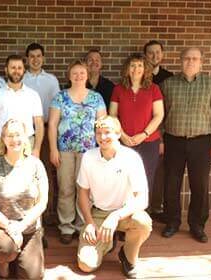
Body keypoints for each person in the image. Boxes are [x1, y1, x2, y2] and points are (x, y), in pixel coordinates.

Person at [160, 47, 211, 243]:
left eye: (195, 59)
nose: (190, 62)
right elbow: (160, 115)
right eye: (187, 58)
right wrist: (160, 139)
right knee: (171, 183)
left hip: (201, 142)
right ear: (181, 61)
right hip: (173, 141)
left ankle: (197, 225)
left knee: (200, 186)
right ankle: (172, 222)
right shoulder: (168, 85)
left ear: (201, 62)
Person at [77, 116, 152, 279]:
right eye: (98, 133)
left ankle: (128, 256)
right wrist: (89, 222)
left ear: (118, 134)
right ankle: (107, 242)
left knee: (143, 222)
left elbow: (142, 199)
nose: (102, 137)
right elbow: (82, 192)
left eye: (107, 132)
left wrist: (116, 216)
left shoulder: (131, 158)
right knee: (86, 265)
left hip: (124, 212)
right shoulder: (88, 157)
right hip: (98, 213)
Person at [0, 119, 48, 279]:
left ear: (25, 137)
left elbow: (42, 202)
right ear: (3, 139)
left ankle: (17, 254)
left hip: (28, 226)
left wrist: (22, 226)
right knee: (5, 249)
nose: (14, 139)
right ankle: (3, 262)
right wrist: (9, 226)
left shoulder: (36, 165)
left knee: (33, 276)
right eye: (9, 135)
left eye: (18, 134)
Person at [48, 60, 106, 244]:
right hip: (64, 150)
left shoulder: (96, 98)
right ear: (69, 76)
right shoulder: (60, 97)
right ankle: (66, 226)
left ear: (87, 75)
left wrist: (102, 150)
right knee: (65, 188)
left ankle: (83, 225)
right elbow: (52, 125)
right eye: (75, 73)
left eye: (82, 73)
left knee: (85, 189)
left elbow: (103, 124)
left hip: (89, 152)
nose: (78, 76)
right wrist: (53, 149)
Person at [110, 53, 164, 213]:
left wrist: (144, 134)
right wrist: (122, 136)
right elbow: (112, 115)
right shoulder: (118, 89)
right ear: (127, 69)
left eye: (140, 65)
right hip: (123, 142)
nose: (136, 69)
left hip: (148, 143)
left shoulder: (154, 89)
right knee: (123, 181)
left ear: (145, 69)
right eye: (133, 65)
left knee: (145, 180)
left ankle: (141, 218)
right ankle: (122, 218)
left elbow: (159, 115)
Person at [23, 42, 60, 226]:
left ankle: (48, 214)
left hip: (46, 128)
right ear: (27, 59)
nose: (35, 59)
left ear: (43, 58)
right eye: (32, 56)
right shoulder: (22, 78)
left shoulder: (51, 80)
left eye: (38, 56)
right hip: (25, 132)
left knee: (45, 172)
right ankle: (28, 214)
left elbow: (57, 107)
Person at [0, 54, 44, 160]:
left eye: (19, 68)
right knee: (1, 176)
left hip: (27, 144)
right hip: (1, 144)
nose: (16, 71)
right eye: (13, 68)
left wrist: (36, 149)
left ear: (23, 71)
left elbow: (39, 124)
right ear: (6, 70)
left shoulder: (33, 95)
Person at [143, 40, 173, 222]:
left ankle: (157, 207)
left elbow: (167, 110)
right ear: (145, 55)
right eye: (150, 53)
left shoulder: (169, 78)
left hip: (160, 133)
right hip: (141, 134)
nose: (154, 56)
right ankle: (142, 208)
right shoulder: (139, 77)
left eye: (157, 52)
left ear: (162, 55)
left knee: (160, 173)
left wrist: (161, 137)